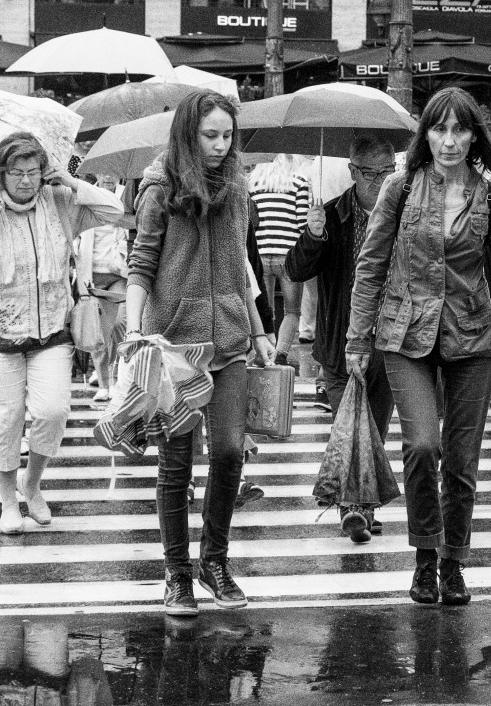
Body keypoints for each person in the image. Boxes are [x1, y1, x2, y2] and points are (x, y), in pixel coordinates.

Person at [346, 86, 491, 607]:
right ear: (425, 134)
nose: (449, 140)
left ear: (474, 137)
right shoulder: (400, 188)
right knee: (423, 445)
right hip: (405, 335)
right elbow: (371, 265)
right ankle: (425, 557)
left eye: (459, 129)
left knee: (462, 459)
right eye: (439, 129)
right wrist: (358, 338)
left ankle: (453, 563)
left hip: (473, 337)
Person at [127, 91, 277, 616]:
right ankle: (177, 574)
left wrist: (259, 331)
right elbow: (142, 264)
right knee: (175, 465)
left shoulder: (237, 189)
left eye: (227, 136)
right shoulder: (159, 189)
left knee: (231, 452)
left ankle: (215, 561)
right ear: (188, 135)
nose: (220, 145)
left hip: (230, 339)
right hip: (174, 345)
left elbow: (240, 267)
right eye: (210, 135)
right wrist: (134, 331)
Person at [0, 131, 123, 534]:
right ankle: (9, 503)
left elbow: (113, 211)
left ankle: (32, 482)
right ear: (2, 174)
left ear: (44, 171)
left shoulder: (59, 201)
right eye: (16, 173)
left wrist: (72, 181)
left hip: (52, 331)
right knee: (5, 419)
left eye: (33, 172)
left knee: (53, 411)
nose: (26, 181)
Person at [285, 135, 398, 544]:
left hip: (388, 342)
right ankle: (354, 507)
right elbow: (295, 270)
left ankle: (361, 507)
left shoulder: (403, 213)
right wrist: (312, 236)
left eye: (387, 173)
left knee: (375, 431)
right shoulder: (332, 216)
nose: (379, 182)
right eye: (370, 173)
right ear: (352, 172)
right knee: (347, 425)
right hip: (338, 344)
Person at [249, 153, 312, 367]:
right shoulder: (299, 182)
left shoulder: (252, 183)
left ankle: (265, 353)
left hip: (259, 254)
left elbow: (250, 221)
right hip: (289, 256)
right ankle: (281, 352)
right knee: (292, 311)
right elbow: (302, 223)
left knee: (264, 309)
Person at [74, 173, 130, 403]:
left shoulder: (125, 197)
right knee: (96, 331)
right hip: (90, 274)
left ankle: (116, 376)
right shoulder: (85, 196)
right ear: (96, 173)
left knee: (118, 324)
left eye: (113, 171)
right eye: (103, 171)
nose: (108, 176)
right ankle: (106, 384)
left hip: (118, 272)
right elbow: (73, 227)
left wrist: (120, 219)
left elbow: (137, 223)